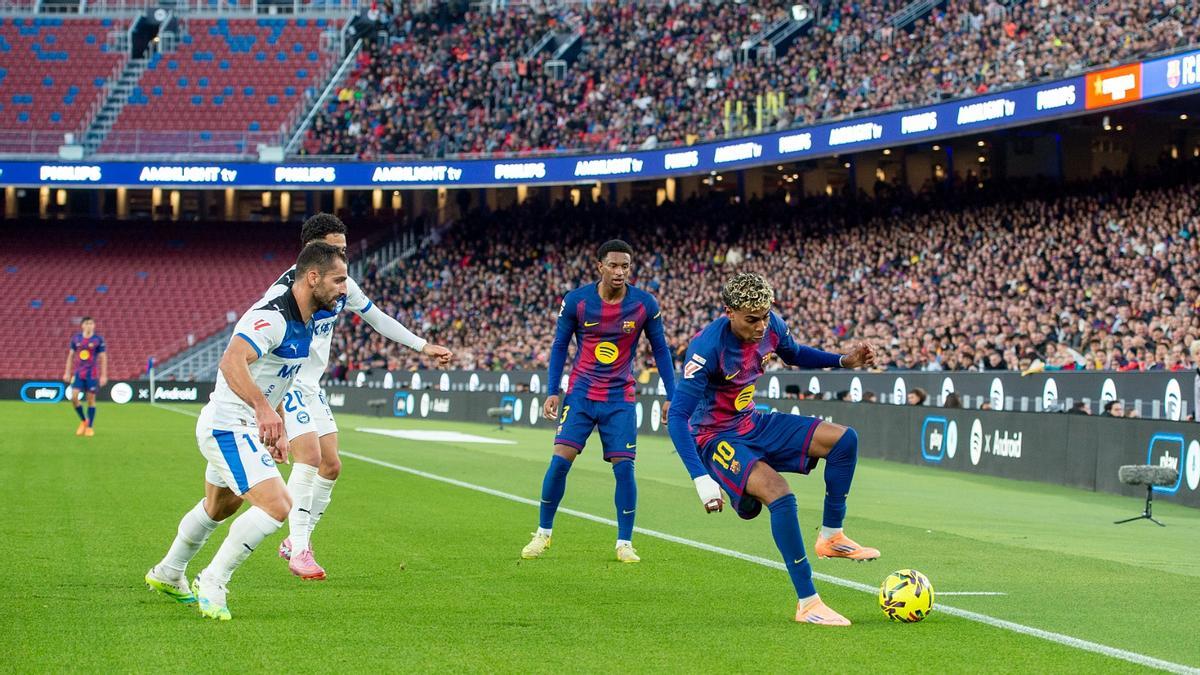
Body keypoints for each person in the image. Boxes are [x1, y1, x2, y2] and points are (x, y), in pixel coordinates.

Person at [145, 242, 347, 620]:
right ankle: (214, 579)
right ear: (313, 277)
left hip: (244, 427)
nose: (343, 290)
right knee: (278, 505)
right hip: (228, 425)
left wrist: (279, 428)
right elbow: (231, 359)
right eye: (338, 280)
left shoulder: (306, 324)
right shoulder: (273, 317)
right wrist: (261, 409)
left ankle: (169, 572)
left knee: (220, 507)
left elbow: (279, 381)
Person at [667, 272, 879, 626]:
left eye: (766, 315)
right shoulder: (706, 349)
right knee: (780, 494)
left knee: (844, 439)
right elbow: (677, 418)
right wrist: (701, 479)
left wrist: (843, 360)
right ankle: (808, 603)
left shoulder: (771, 324)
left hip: (753, 423)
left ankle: (831, 536)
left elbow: (794, 353)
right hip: (716, 437)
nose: (762, 325)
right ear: (729, 312)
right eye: (752, 319)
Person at [265, 213, 453, 580]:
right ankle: (299, 548)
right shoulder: (282, 293)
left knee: (331, 465)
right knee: (309, 456)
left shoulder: (341, 285)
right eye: (334, 250)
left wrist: (423, 346)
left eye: (344, 251)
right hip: (287, 381)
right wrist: (269, 404)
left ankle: (297, 540)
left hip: (312, 386)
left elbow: (377, 317)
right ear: (310, 252)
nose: (342, 258)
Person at [522, 240, 676, 563]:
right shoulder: (577, 302)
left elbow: (661, 351)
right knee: (559, 462)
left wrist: (671, 396)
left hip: (620, 398)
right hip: (580, 394)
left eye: (626, 266)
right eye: (614, 265)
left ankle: (624, 542)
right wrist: (553, 389)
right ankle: (543, 534)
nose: (620, 272)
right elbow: (560, 346)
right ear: (600, 267)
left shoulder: (644, 305)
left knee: (625, 470)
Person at [63, 316, 107, 437]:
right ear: (82, 325)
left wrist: (103, 375)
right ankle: (83, 420)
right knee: (74, 397)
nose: (89, 325)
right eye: (87, 323)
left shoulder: (98, 339)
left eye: (91, 323)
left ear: (94, 325)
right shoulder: (76, 338)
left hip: (92, 374)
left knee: (91, 400)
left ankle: (89, 427)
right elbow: (71, 355)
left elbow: (103, 357)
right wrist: (67, 372)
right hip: (78, 373)